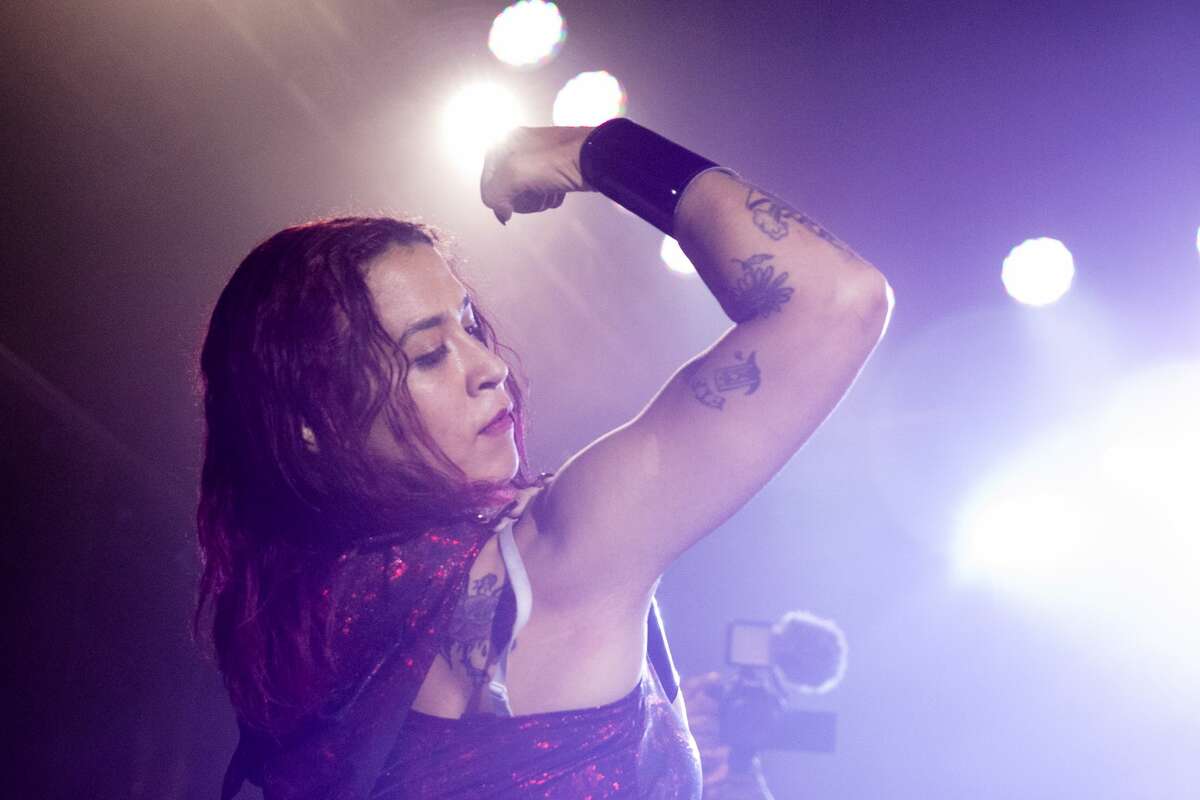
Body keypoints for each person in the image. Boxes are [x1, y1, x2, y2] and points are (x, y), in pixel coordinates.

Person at [195, 119, 892, 799]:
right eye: (428, 354)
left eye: (470, 327)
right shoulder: (553, 555)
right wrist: (588, 151)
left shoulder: (294, 630)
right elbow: (835, 299)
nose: (489, 367)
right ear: (314, 423)